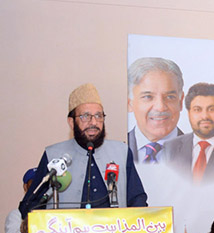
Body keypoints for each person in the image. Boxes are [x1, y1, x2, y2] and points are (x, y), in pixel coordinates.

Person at [19, 83, 148, 214]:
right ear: (71, 122)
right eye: (85, 116)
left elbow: (137, 199)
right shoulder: (53, 155)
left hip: (113, 227)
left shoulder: (121, 152)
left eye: (98, 116)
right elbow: (30, 205)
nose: (93, 122)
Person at [162, 82, 214, 183]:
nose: (205, 116)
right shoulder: (170, 148)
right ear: (189, 113)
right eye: (197, 110)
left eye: (211, 109)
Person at [127, 57, 184, 163]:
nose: (160, 107)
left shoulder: (201, 154)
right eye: (148, 97)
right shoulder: (115, 150)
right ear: (129, 103)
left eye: (170, 97)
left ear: (180, 101)